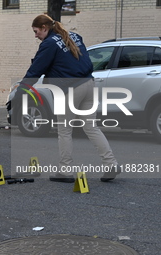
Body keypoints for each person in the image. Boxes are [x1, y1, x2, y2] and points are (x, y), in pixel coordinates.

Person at [12, 14, 121, 182]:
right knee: (91, 127)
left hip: (71, 89)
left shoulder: (48, 44)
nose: (35, 36)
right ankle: (111, 163)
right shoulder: (74, 36)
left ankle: (65, 170)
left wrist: (20, 93)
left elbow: (35, 70)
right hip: (89, 84)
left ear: (44, 28)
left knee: (64, 130)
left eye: (36, 32)